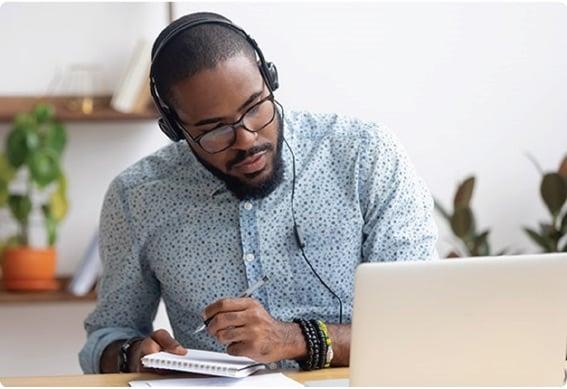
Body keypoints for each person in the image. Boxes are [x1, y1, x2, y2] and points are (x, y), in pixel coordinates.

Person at [79, 12, 438, 374]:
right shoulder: (136, 197)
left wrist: (293, 339)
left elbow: (421, 324)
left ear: (270, 80)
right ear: (175, 129)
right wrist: (133, 354)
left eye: (254, 107)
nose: (246, 138)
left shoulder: (365, 155)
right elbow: (106, 336)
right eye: (214, 129)